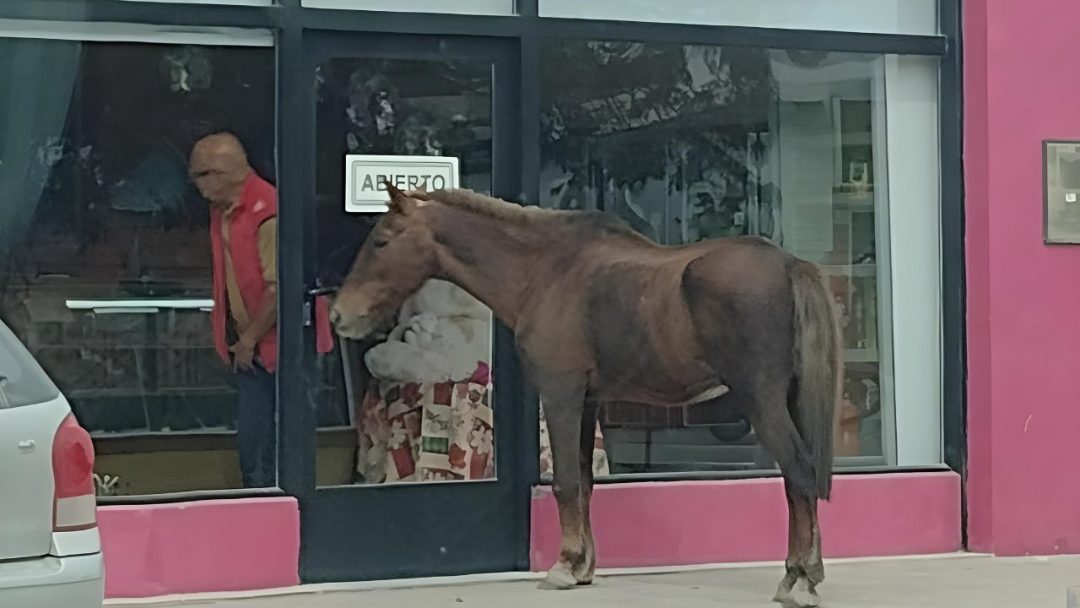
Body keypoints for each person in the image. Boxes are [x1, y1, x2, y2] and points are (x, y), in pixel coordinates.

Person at [189, 132, 281, 488]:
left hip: (274, 346)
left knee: (267, 444)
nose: (196, 186)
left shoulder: (267, 211)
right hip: (251, 345)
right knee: (253, 441)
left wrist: (249, 340)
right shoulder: (224, 211)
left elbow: (279, 289)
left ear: (224, 173)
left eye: (200, 175)